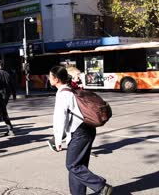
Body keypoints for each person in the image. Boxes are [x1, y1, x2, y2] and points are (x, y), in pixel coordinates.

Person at [48, 66, 113, 195]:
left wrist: (58, 139)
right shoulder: (71, 89)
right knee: (79, 166)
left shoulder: (63, 93)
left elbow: (60, 118)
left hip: (79, 132)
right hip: (88, 129)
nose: (48, 78)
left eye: (50, 76)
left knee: (72, 165)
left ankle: (101, 186)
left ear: (56, 79)